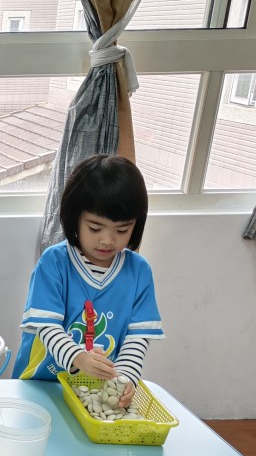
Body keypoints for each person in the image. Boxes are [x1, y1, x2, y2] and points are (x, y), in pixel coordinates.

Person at [12, 154, 164, 407]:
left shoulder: (139, 272)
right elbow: (47, 327)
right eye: (95, 228)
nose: (107, 240)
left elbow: (137, 339)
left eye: (122, 230)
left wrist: (125, 379)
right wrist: (77, 357)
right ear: (75, 218)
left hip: (95, 392)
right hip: (42, 385)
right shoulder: (54, 263)